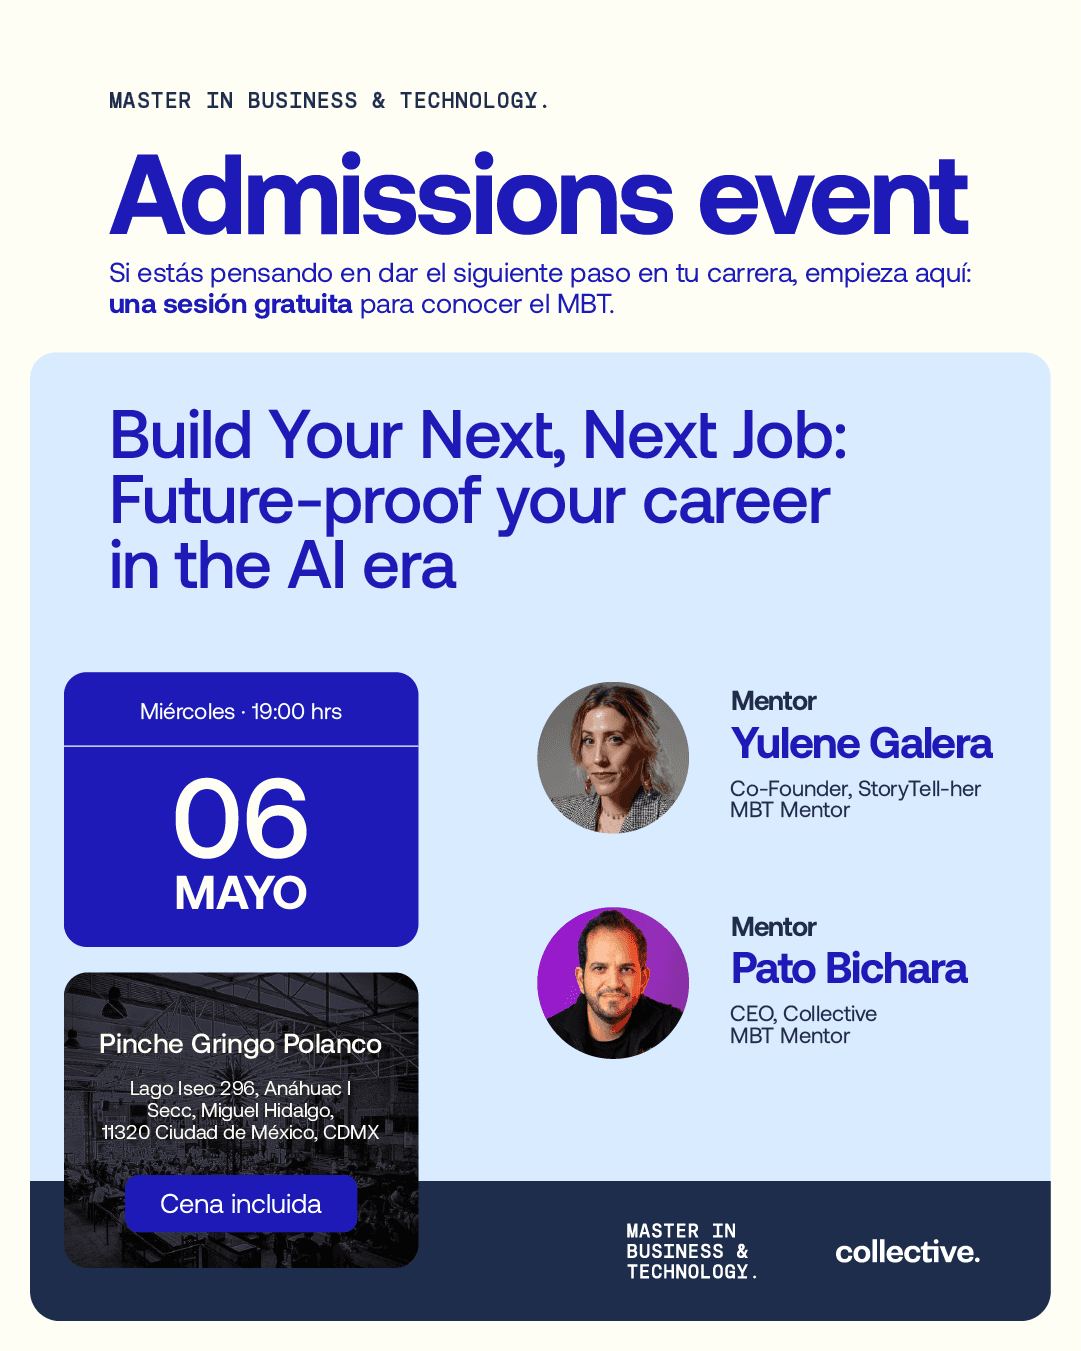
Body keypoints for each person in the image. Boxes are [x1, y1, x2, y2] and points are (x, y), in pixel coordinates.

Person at [547, 909, 682, 1057]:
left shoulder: (673, 1026)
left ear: (643, 980)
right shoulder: (550, 1035)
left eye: (626, 969)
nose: (614, 983)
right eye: (599, 968)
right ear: (581, 979)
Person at [550, 685, 674, 833]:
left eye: (615, 739)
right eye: (589, 740)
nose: (598, 758)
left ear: (644, 748)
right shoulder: (559, 812)